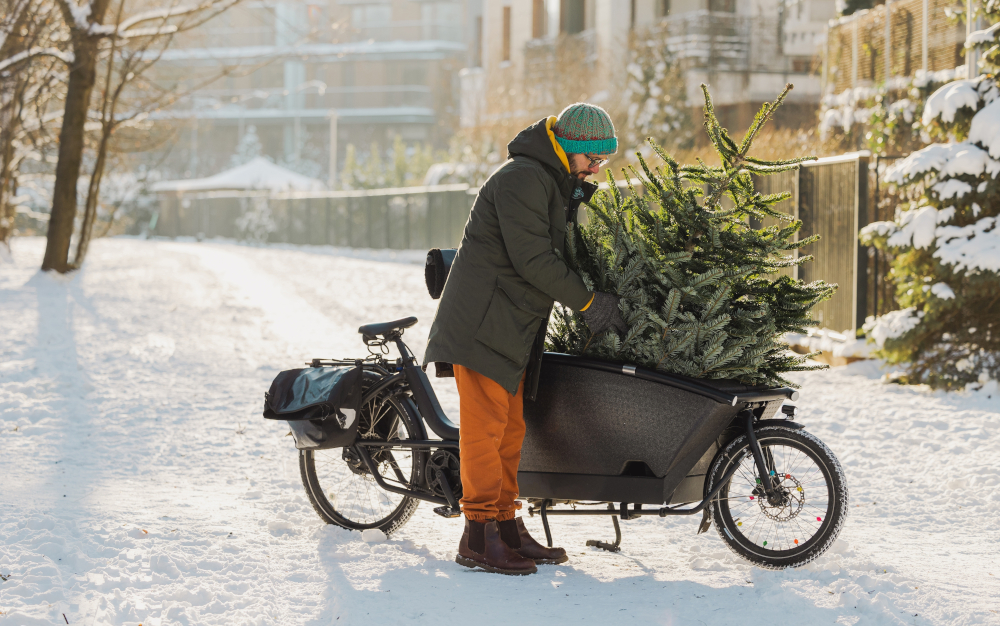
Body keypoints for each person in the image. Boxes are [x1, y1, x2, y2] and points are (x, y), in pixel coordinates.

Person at [423, 103, 627, 576]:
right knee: (485, 432)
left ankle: (506, 526)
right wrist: (590, 303)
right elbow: (533, 259)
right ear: (569, 149)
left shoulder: (549, 181)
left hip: (509, 327)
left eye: (603, 162)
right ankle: (477, 535)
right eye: (592, 159)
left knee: (511, 431)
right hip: (483, 325)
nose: (596, 169)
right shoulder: (523, 179)